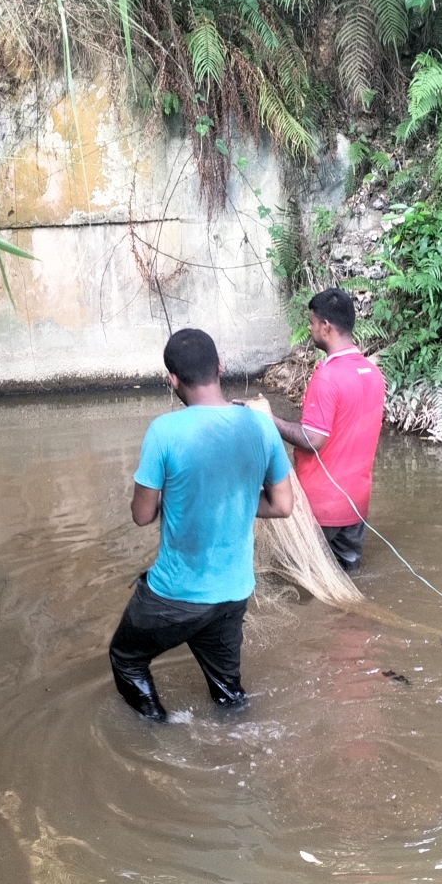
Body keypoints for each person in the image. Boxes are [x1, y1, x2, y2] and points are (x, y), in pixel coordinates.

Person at [110, 327, 294, 721]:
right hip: (232, 592)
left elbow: (142, 515)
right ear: (220, 367)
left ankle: (158, 735)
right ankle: (240, 737)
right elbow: (282, 506)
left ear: (172, 380)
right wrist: (234, 499)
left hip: (176, 594)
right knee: (227, 690)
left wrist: (175, 497)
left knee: (126, 658)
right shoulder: (262, 426)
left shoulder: (164, 431)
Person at [268, 288, 385, 570]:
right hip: (356, 505)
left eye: (311, 322)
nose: (309, 328)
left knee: (299, 576)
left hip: (320, 509)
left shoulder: (327, 377)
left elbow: (313, 439)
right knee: (348, 575)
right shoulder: (373, 373)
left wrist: (270, 421)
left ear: (326, 326)